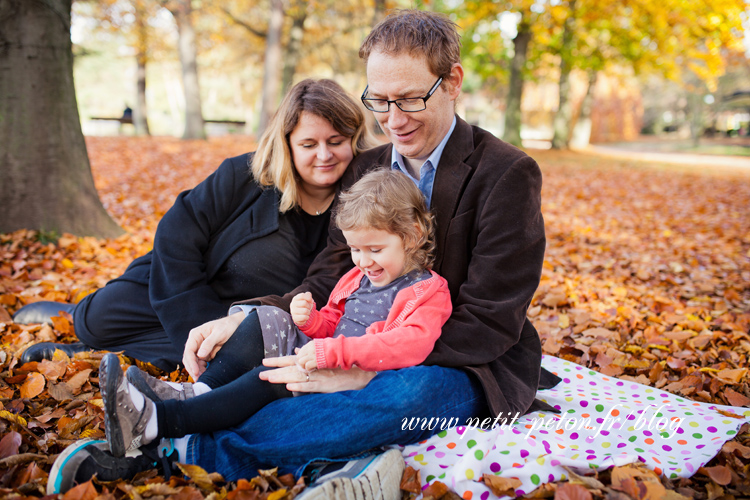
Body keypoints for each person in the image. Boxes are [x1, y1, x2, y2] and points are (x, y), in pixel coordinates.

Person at [49, 9, 558, 496]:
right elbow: (329, 273)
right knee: (270, 329)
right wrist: (254, 316)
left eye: (408, 100)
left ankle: (186, 451)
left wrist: (373, 365)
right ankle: (182, 408)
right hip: (350, 332)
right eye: (378, 101)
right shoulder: (366, 167)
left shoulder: (505, 174)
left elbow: (489, 319)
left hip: (456, 356)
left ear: (452, 82)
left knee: (408, 396)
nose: (393, 120)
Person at [15, 79, 374, 371]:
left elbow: (327, 287)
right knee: (97, 319)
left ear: (353, 140)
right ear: (287, 144)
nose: (324, 155)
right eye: (309, 144)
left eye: (335, 141)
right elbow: (177, 234)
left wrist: (219, 331)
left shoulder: (361, 205)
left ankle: (88, 354)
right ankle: (75, 316)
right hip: (181, 287)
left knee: (204, 355)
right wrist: (197, 323)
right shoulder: (246, 175)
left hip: (245, 318)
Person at [97, 169, 452, 460]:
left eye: (375, 249)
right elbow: (333, 319)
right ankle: (201, 391)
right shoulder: (356, 276)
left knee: (269, 377)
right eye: (355, 249)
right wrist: (311, 320)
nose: (363, 260)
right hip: (322, 352)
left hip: (351, 371)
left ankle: (158, 421)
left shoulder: (427, 290)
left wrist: (332, 351)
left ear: (413, 235)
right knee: (266, 319)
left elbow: (409, 345)